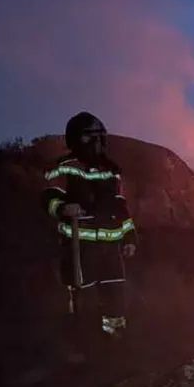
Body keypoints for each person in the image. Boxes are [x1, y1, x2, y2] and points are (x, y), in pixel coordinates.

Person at [42, 111, 138, 345]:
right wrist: (64, 208)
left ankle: (115, 340)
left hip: (110, 249)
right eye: (94, 138)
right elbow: (49, 197)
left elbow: (120, 206)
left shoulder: (111, 170)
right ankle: (82, 344)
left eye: (101, 138)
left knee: (115, 295)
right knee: (81, 296)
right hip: (79, 247)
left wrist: (129, 237)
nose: (99, 144)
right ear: (80, 140)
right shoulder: (64, 168)